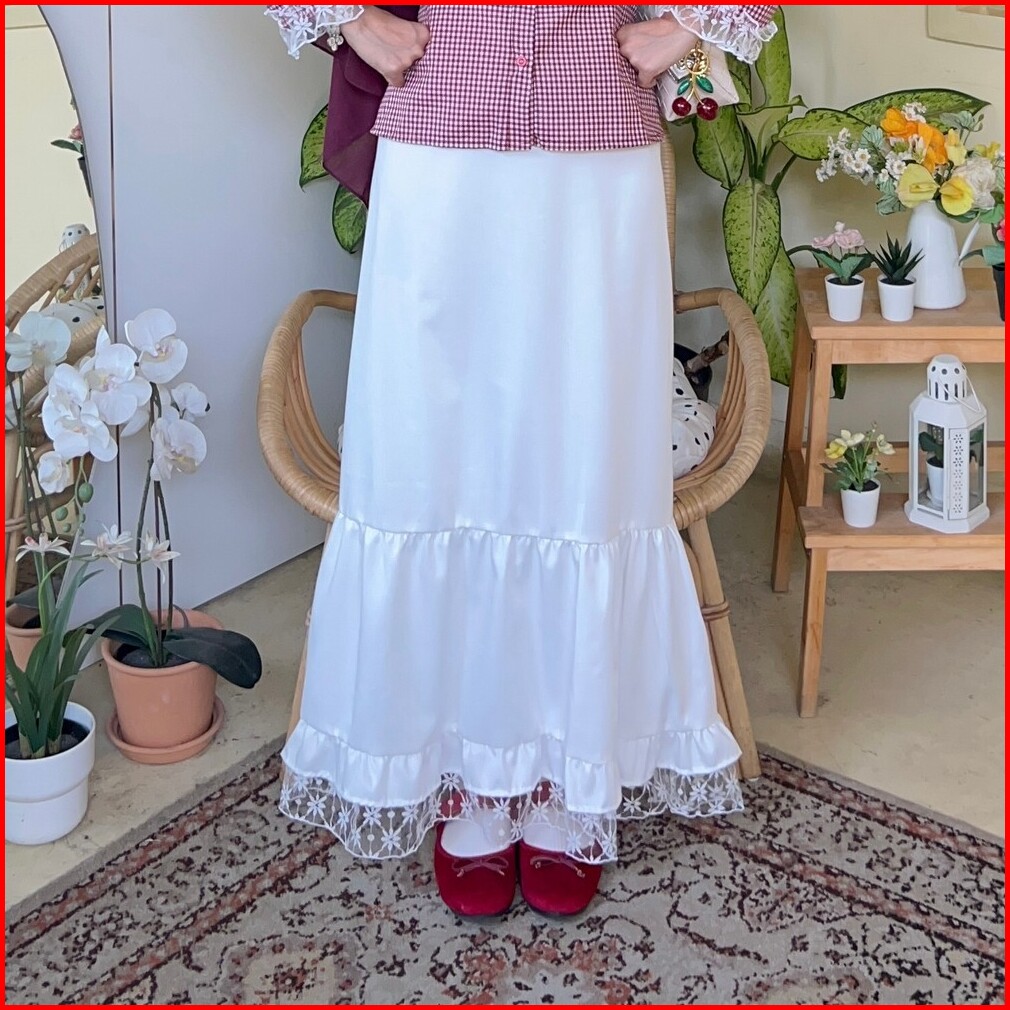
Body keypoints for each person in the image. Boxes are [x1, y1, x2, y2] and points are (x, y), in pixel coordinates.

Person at [267, 4, 777, 918]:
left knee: (578, 456)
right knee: (441, 457)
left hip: (597, 156)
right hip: (440, 147)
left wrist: (690, 27)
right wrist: (353, 22)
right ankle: (464, 772)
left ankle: (566, 775)